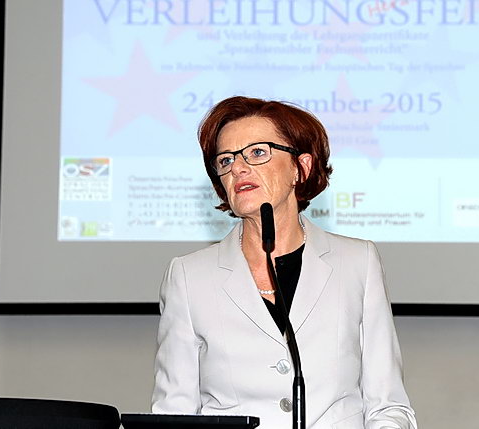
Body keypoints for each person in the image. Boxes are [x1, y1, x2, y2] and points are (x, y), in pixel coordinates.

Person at [152, 96, 417, 428]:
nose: (238, 168)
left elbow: (388, 406)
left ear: (300, 168)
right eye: (226, 160)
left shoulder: (357, 262)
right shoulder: (188, 276)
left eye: (257, 152)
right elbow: (173, 415)